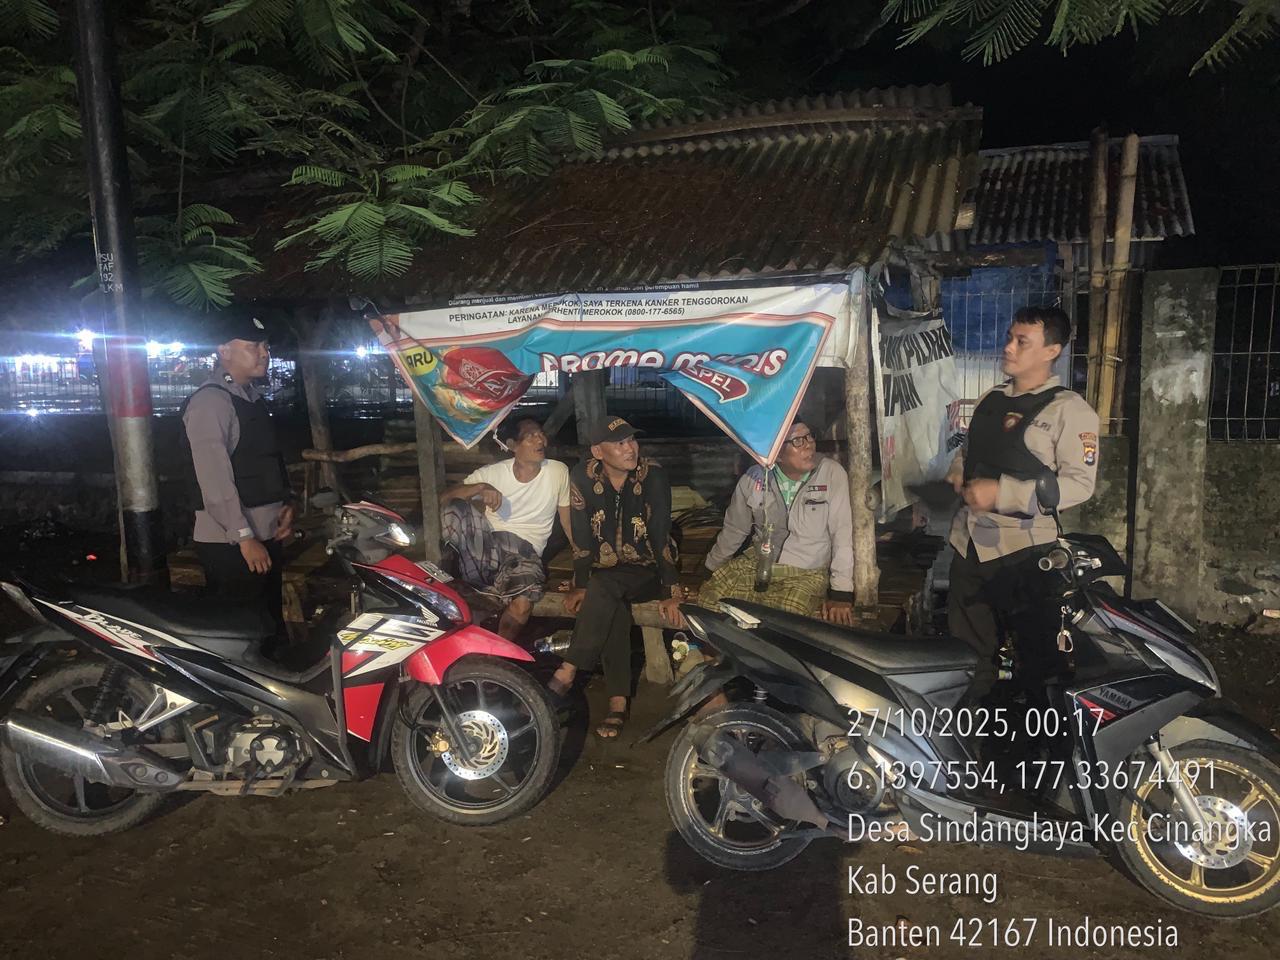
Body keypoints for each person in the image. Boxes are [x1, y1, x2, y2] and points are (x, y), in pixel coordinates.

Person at [946, 305, 1100, 705]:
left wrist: (1003, 494)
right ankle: (973, 734)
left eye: (1021, 341)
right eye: (1009, 338)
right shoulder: (991, 399)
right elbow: (969, 451)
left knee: (1039, 662)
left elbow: (1079, 484)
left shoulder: (1069, 410)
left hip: (1025, 555)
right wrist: (957, 471)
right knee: (968, 658)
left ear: (1052, 351)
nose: (1008, 348)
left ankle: (1042, 738)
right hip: (969, 547)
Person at [546, 416, 684, 739]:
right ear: (598, 451)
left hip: (648, 569)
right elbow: (581, 536)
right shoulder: (582, 476)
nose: (630, 448)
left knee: (603, 587)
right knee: (611, 603)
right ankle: (617, 703)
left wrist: (671, 589)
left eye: (631, 440)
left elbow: (660, 534)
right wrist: (580, 584)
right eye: (619, 443)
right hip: (605, 574)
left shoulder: (653, 475)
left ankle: (567, 671)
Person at [181, 311, 294, 638]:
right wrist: (244, 537)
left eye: (265, 346)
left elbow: (264, 458)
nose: (264, 353)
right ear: (224, 350)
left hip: (265, 533)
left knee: (269, 625)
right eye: (253, 346)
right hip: (230, 543)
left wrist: (285, 505)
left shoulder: (251, 399)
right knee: (243, 634)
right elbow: (213, 477)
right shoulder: (210, 403)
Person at [700, 420, 855, 625]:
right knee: (710, 603)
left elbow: (842, 535)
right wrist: (711, 568)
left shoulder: (831, 474)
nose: (809, 445)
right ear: (776, 453)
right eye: (797, 441)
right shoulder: (754, 478)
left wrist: (841, 593)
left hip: (805, 572)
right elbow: (734, 529)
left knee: (783, 621)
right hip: (757, 565)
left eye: (809, 436)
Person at [438, 416, 571, 640]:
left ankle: (497, 652)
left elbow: (567, 520)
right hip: (488, 549)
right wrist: (480, 487)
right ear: (512, 445)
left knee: (523, 603)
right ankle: (468, 580)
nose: (540, 440)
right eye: (530, 436)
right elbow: (444, 498)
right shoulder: (493, 473)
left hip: (524, 553)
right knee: (455, 507)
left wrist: (584, 560)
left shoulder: (558, 472)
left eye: (540, 434)